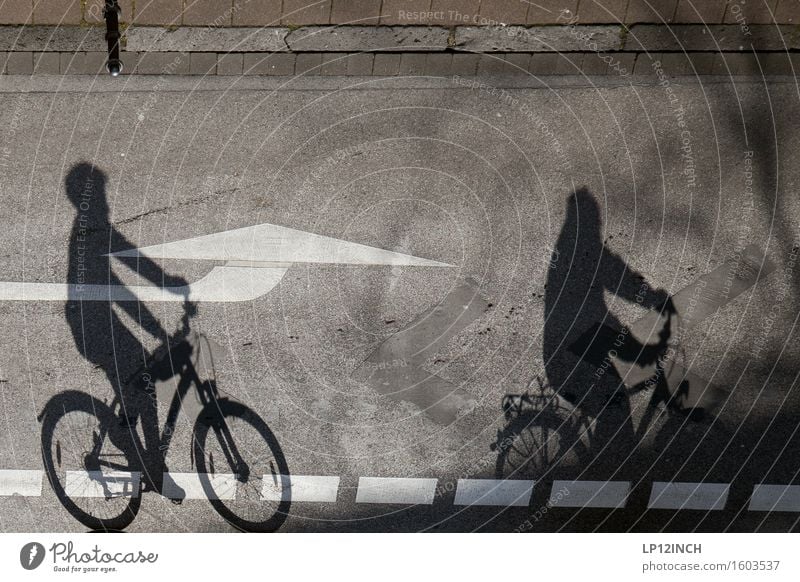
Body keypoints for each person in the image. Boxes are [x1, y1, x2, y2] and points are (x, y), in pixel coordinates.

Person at [64, 162, 193, 492]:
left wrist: (169, 284)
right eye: (101, 194)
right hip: (91, 328)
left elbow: (132, 258)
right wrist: (158, 331)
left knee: (141, 381)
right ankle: (148, 464)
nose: (107, 200)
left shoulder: (97, 227)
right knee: (141, 376)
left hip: (100, 321)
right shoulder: (89, 233)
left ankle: (142, 452)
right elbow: (121, 293)